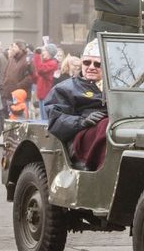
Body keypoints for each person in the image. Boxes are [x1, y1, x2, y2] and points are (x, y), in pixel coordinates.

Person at [44, 42, 108, 171]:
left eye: (97, 64)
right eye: (87, 63)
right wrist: (82, 121)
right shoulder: (65, 88)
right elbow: (55, 120)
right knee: (105, 125)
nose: (91, 67)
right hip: (79, 137)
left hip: (110, 132)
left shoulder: (115, 88)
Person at [0, 42, 35, 110]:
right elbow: (5, 73)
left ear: (21, 49)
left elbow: (30, 77)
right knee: (11, 118)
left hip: (21, 96)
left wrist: (17, 86)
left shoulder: (27, 60)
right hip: (9, 95)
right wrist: (5, 83)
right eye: (11, 47)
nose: (12, 49)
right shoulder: (11, 59)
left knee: (21, 118)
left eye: (14, 47)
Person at [32, 44, 60, 118]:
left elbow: (40, 69)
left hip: (47, 95)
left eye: (44, 51)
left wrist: (37, 56)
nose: (42, 52)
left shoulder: (52, 63)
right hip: (42, 95)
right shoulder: (45, 62)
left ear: (49, 53)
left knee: (45, 119)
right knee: (42, 118)